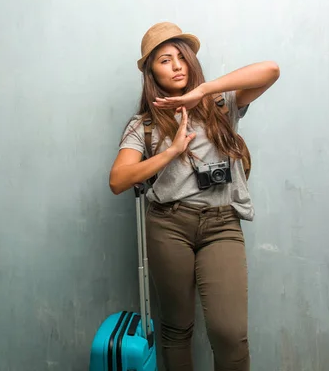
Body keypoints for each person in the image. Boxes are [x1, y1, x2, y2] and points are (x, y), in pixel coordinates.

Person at [108, 22, 280, 371]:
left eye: (181, 57)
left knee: (230, 332)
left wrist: (205, 90)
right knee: (176, 328)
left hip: (221, 224)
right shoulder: (144, 124)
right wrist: (171, 152)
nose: (176, 65)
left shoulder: (221, 104)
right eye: (164, 60)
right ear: (151, 72)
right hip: (169, 226)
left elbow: (271, 71)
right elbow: (118, 180)